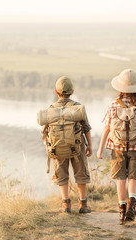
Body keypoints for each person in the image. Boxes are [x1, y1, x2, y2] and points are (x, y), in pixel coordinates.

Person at [96, 69, 136, 224]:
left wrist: (100, 148)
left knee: (120, 179)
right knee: (133, 177)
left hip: (117, 148)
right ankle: (132, 206)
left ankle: (122, 210)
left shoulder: (113, 105)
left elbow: (107, 128)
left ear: (120, 87)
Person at [42, 76, 92, 213]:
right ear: (72, 91)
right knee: (81, 173)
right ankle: (83, 204)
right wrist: (90, 146)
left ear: (56, 92)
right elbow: (86, 128)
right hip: (77, 147)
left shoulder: (51, 109)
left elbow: (45, 131)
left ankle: (66, 204)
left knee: (61, 174)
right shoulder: (78, 108)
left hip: (58, 147)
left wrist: (48, 146)